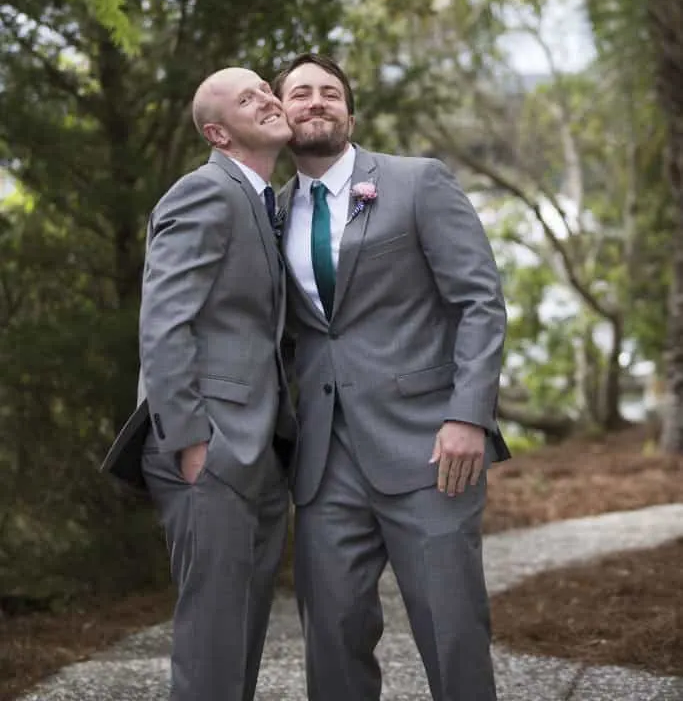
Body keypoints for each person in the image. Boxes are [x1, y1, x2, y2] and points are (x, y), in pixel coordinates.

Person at [273, 53, 510, 701]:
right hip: (324, 459)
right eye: (299, 94)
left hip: (430, 446)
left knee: (450, 627)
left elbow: (479, 302)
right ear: (278, 114)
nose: (314, 102)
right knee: (331, 634)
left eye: (328, 92)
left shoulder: (416, 182)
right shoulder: (269, 211)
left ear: (350, 113)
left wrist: (468, 415)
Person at [102, 67, 297, 701]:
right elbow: (164, 323)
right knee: (212, 635)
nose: (268, 98)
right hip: (208, 447)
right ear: (217, 133)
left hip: (258, 449)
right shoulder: (203, 193)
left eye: (266, 89)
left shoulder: (266, 203)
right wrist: (191, 443)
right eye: (248, 98)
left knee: (240, 634)